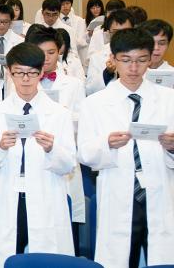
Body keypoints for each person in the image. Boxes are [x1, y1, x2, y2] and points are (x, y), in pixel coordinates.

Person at [78, 28, 174, 267]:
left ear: (150, 59)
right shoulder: (95, 104)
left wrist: (172, 148)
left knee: (161, 258)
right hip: (119, 190)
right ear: (113, 59)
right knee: (120, 258)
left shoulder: (169, 100)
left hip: (159, 190)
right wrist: (107, 144)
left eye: (141, 60)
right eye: (126, 60)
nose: (134, 68)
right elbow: (85, 154)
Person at [0, 43, 76, 268]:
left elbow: (69, 165)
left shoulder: (59, 114)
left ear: (41, 72)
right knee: (7, 257)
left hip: (45, 194)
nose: (25, 79)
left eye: (32, 73)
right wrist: (1, 146)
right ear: (10, 73)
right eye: (19, 73)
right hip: (9, 195)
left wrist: (52, 149)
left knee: (45, 259)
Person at [25, 26, 86, 238]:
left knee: (64, 226)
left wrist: (61, 115)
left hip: (61, 153)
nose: (46, 58)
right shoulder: (22, 81)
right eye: (41, 53)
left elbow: (82, 124)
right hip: (31, 155)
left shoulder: (74, 84)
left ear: (59, 51)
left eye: (51, 52)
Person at [86, 9, 135, 95]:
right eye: (116, 32)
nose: (121, 36)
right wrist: (107, 73)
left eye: (126, 31)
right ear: (108, 33)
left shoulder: (142, 56)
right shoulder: (97, 57)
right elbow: (89, 90)